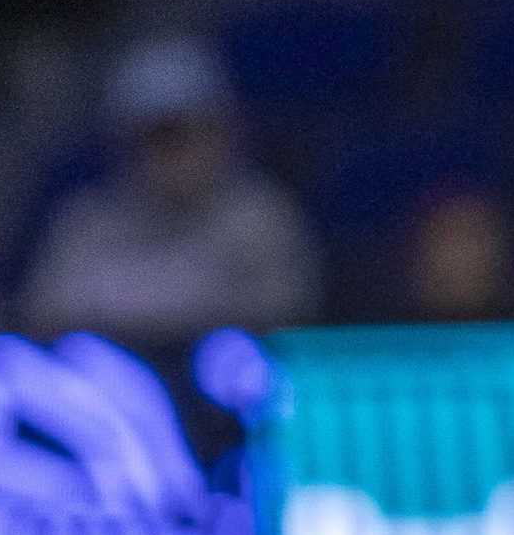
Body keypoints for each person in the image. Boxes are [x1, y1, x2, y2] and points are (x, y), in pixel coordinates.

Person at [19, 34, 323, 340]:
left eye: (182, 135)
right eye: (156, 138)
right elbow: (49, 332)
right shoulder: (86, 226)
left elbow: (284, 335)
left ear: (221, 134)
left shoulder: (261, 221)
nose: (171, 154)